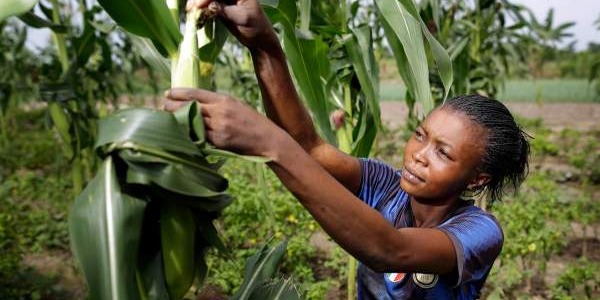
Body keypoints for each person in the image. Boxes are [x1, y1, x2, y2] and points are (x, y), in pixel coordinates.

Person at [163, 0, 530, 299]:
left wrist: (270, 143)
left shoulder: (478, 232)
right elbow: (308, 147)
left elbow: (389, 250)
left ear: (478, 178)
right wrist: (265, 46)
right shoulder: (386, 185)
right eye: (420, 135)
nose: (419, 154)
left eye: (443, 153)